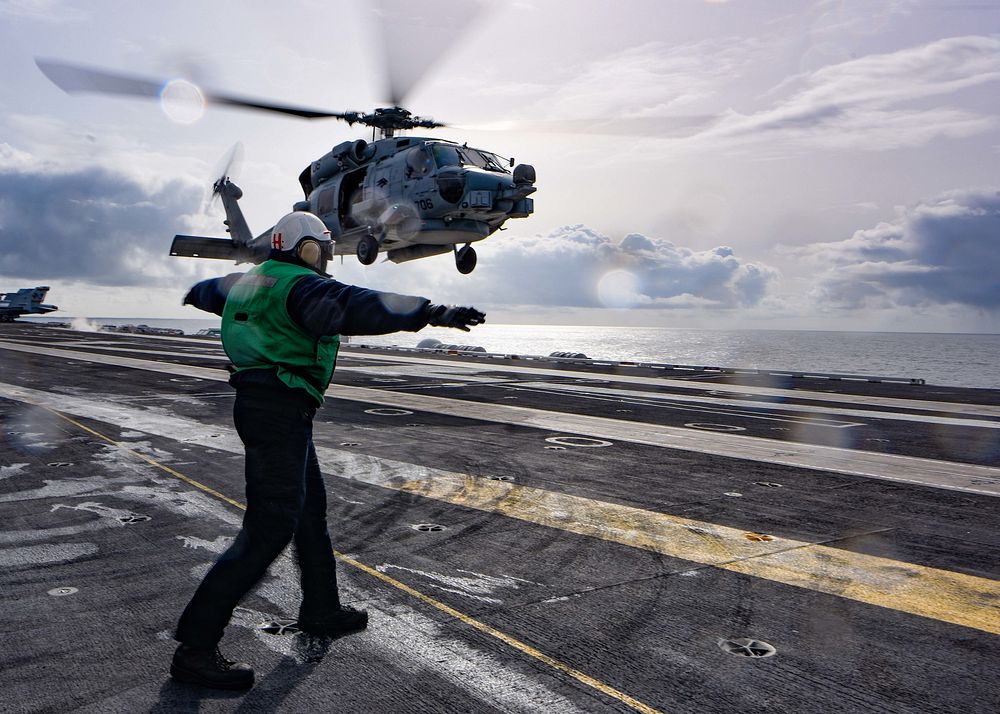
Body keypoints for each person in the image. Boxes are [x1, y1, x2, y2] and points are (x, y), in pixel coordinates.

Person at [170, 211, 485, 690]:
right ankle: (195, 648)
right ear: (305, 248)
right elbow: (362, 304)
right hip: (278, 409)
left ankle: (321, 609)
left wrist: (193, 294)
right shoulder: (303, 288)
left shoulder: (248, 282)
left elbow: (208, 290)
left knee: (309, 513)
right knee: (269, 528)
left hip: (271, 407)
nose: (326, 256)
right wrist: (431, 312)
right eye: (322, 247)